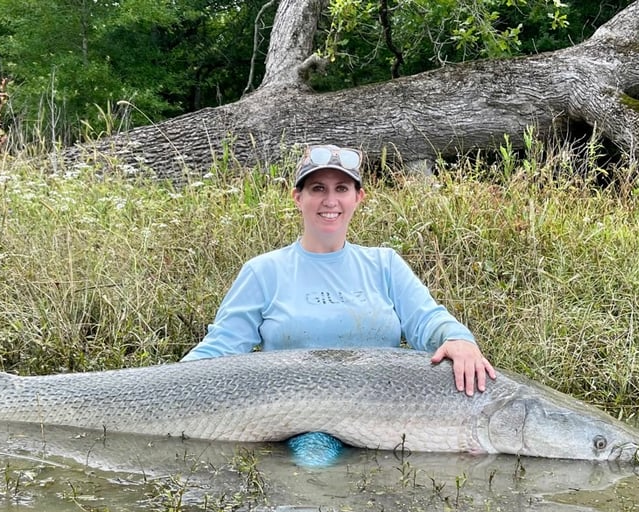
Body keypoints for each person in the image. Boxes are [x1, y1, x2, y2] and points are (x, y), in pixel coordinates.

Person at [181, 144, 497, 463]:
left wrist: (458, 338)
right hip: (300, 426)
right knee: (315, 474)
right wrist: (157, 384)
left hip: (385, 420)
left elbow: (427, 321)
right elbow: (220, 349)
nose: (330, 201)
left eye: (341, 188)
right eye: (317, 188)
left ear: (357, 198)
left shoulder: (384, 265)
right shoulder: (264, 271)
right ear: (298, 197)